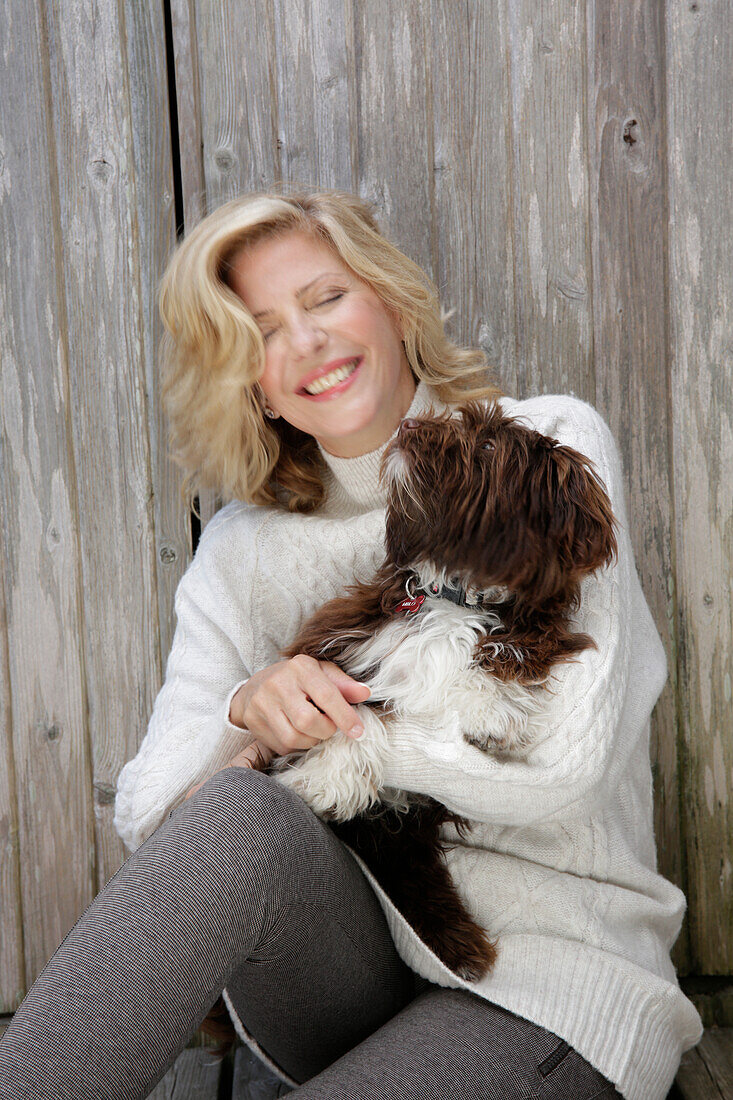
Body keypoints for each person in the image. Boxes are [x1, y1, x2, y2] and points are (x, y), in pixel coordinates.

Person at [0, 187, 702, 1100]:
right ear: (245, 378)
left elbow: (568, 760)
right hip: (340, 979)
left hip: (547, 984)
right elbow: (152, 814)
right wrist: (248, 718)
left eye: (326, 298)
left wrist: (350, 734)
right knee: (237, 814)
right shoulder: (241, 549)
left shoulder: (539, 452)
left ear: (392, 300)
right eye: (261, 332)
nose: (306, 344)